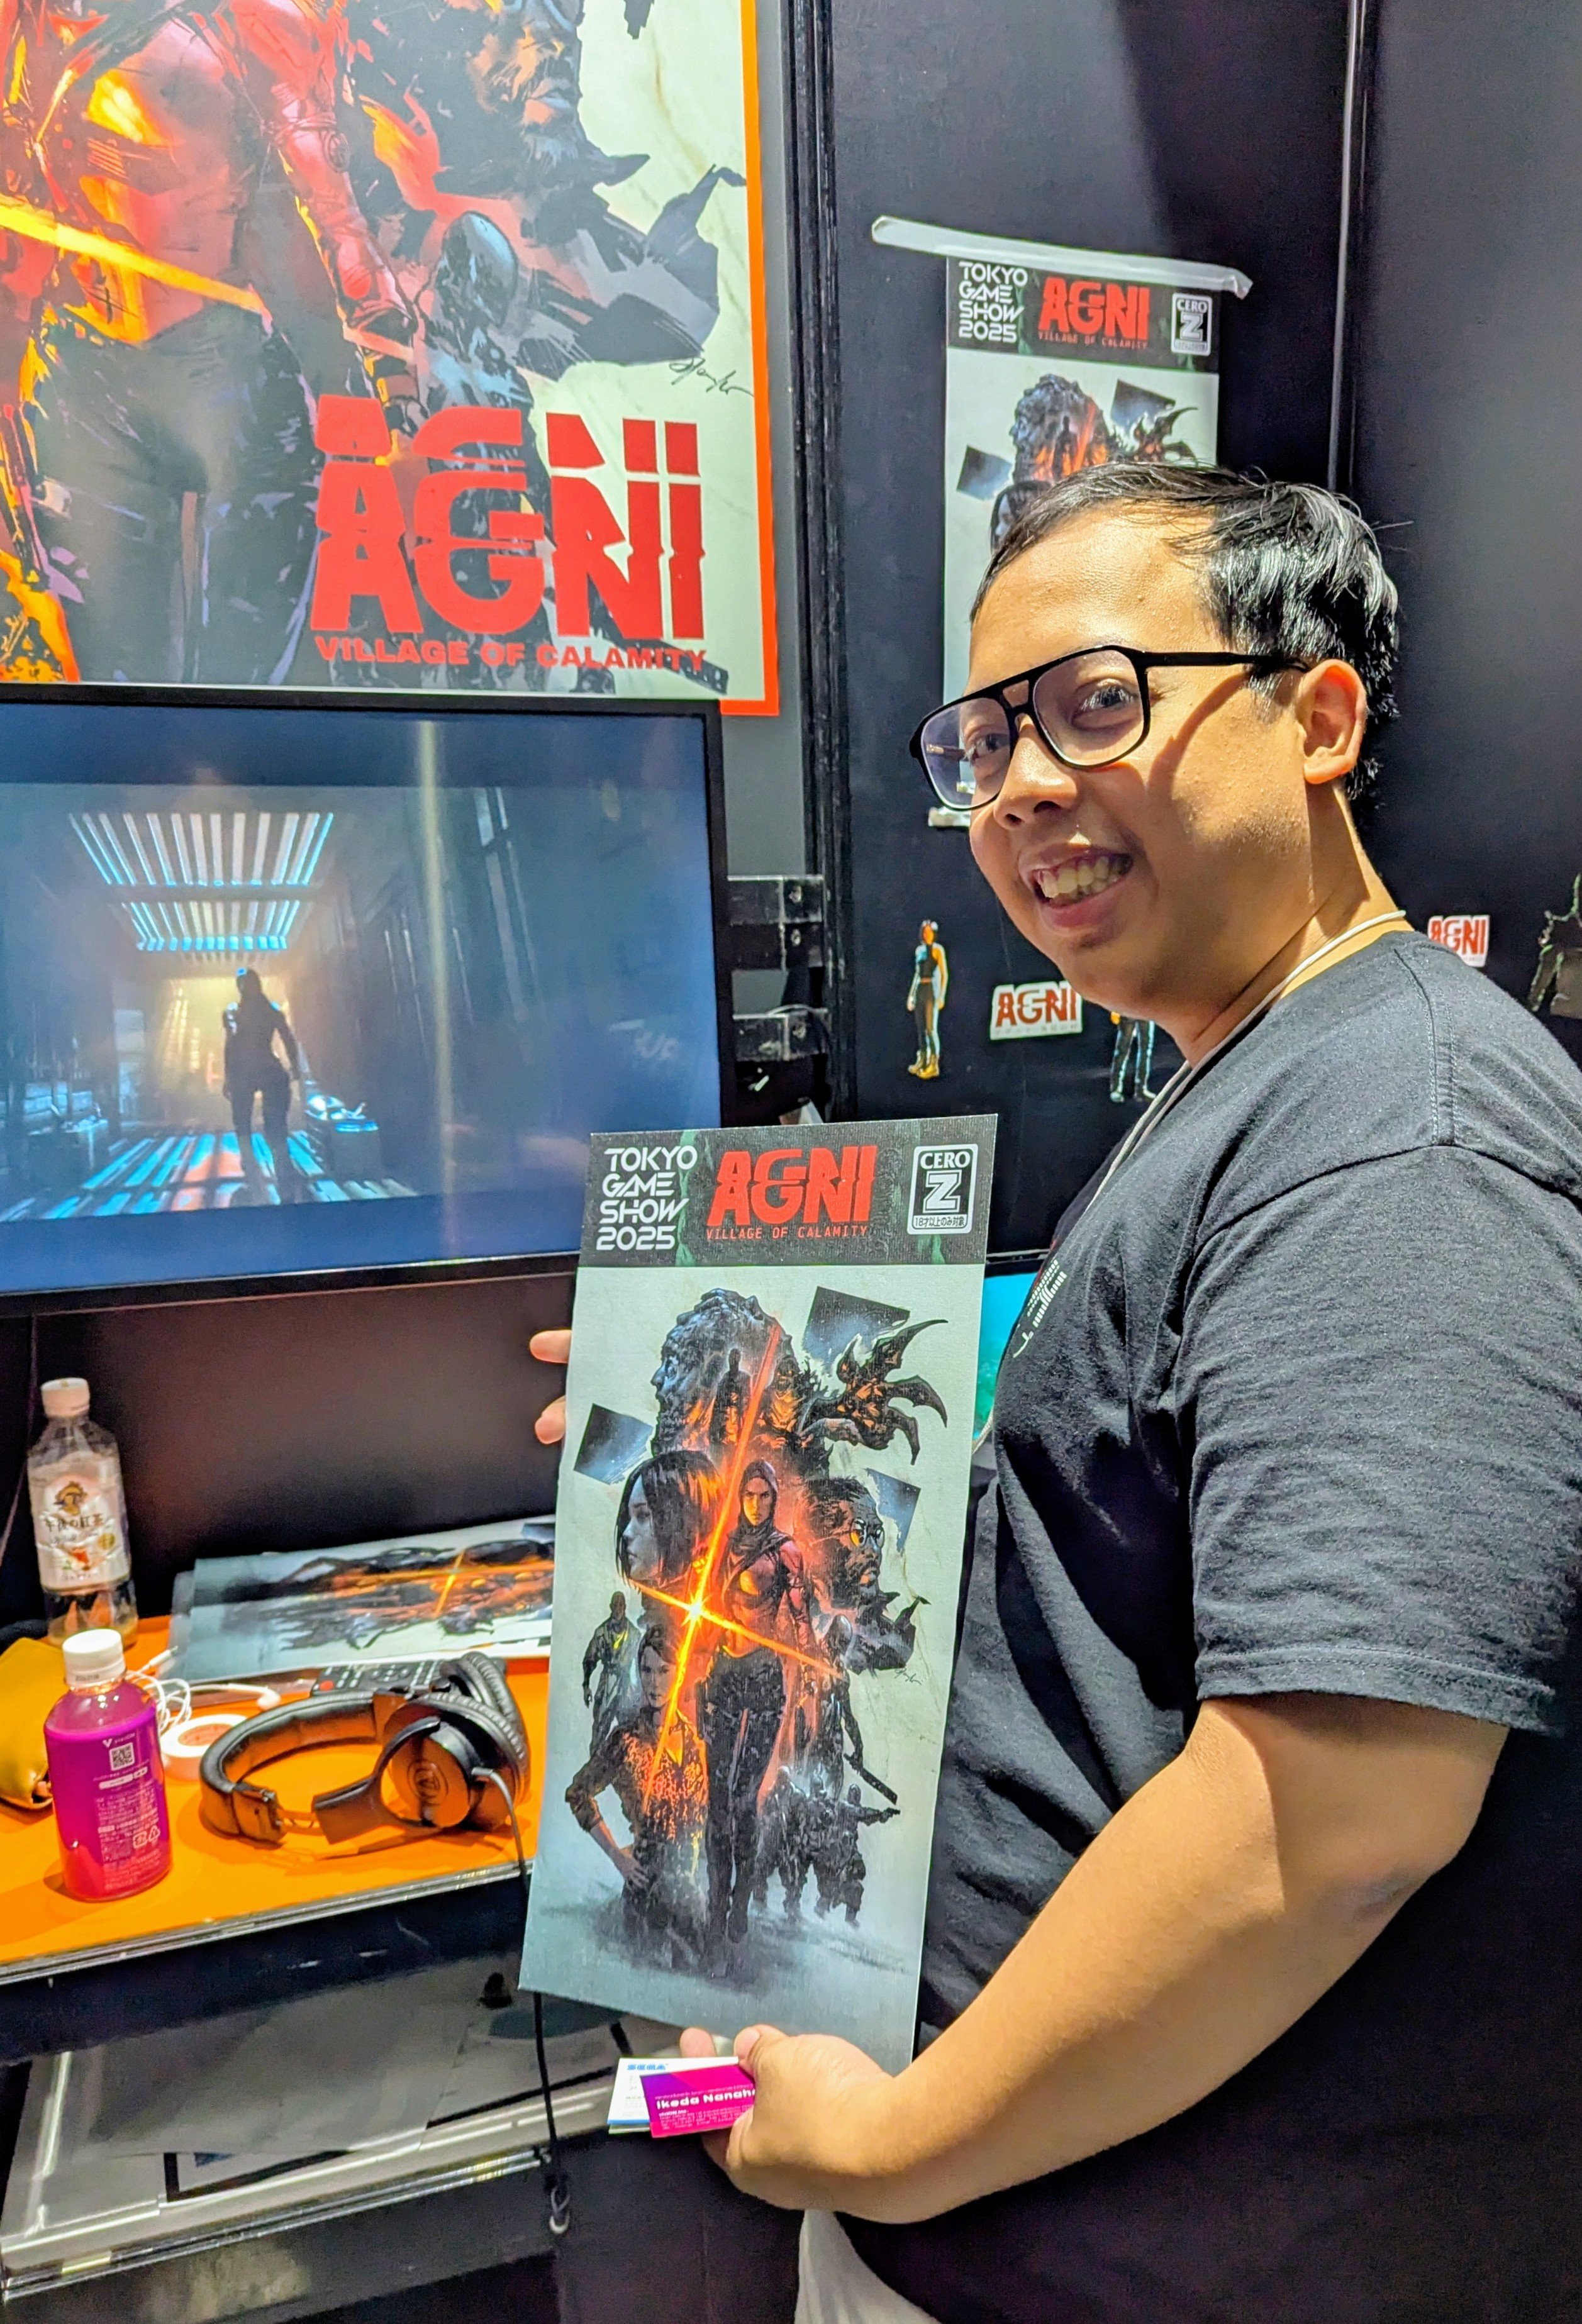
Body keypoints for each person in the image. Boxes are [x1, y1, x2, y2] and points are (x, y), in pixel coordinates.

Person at [533, 461, 1582, 2322]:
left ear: (1316, 716)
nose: (1019, 785)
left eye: (1097, 702)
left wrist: (893, 2142)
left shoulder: (1399, 1136)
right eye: (984, 739)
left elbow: (1338, 1812)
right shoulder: (1254, 1073)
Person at [696, 1459, 813, 1958]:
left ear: (774, 1498)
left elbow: (802, 1619)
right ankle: (715, 1904)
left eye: (765, 1495)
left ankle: (740, 1899)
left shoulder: (785, 1552)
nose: (757, 1504)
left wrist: (809, 1674)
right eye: (750, 1494)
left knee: (744, 1799)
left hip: (764, 1678)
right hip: (723, 1674)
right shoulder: (723, 1547)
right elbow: (705, 1614)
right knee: (716, 1801)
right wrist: (697, 1672)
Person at [565, 1621, 706, 1963]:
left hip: (689, 1894)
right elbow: (578, 1793)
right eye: (647, 1670)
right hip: (646, 1889)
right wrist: (617, 1856)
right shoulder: (626, 1741)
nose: (654, 1682)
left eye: (664, 1671)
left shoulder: (697, 1742)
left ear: (679, 1673)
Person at [223, 970, 304, 1203]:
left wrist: (229, 1077)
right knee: (271, 1123)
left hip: (246, 1071)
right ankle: (280, 1166)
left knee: (243, 1122)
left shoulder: (234, 1013)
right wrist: (294, 1066)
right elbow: (288, 1038)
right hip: (267, 1068)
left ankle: (254, 1166)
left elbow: (231, 1045)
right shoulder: (269, 1010)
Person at [581, 1588, 633, 1751]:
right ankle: (595, 1758)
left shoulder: (634, 1635)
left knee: (630, 1724)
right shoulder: (601, 1633)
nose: (618, 1609)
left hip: (626, 1682)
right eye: (615, 1606)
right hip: (608, 1680)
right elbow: (589, 1659)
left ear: (625, 1607)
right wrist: (586, 1685)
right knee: (600, 1723)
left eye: (621, 1605)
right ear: (611, 1607)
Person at [904, 920, 947, 1081]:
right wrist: (911, 995)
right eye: (925, 931)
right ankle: (922, 1059)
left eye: (929, 932)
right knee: (921, 1028)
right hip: (920, 989)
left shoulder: (938, 950)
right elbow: (917, 974)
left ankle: (933, 1063)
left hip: (932, 990)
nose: (927, 934)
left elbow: (944, 973)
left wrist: (942, 995)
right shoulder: (919, 951)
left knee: (930, 1028)